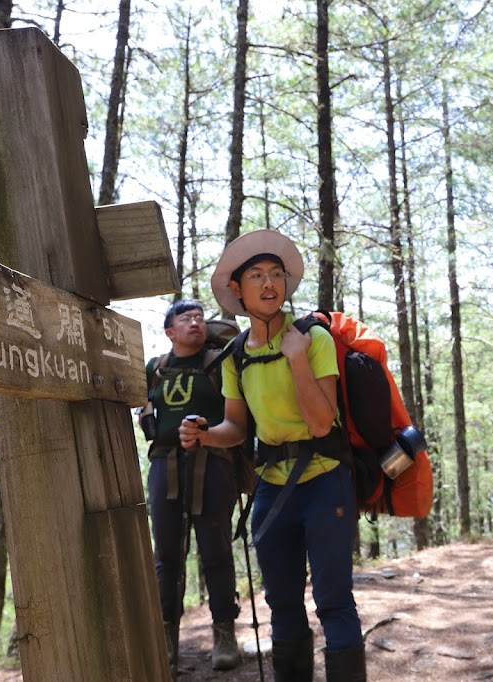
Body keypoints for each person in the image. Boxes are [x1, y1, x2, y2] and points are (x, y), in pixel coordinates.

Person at [179, 230, 367, 682]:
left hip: (325, 481)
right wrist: (204, 435)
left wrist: (297, 359)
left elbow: (323, 424)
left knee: (333, 600)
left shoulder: (312, 338)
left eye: (276, 275)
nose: (269, 284)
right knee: (281, 602)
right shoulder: (234, 357)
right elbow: (236, 428)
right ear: (238, 291)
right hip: (273, 488)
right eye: (257, 276)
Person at [144, 299, 241, 673]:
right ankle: (165, 637)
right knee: (167, 554)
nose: (196, 323)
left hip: (213, 464)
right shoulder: (155, 369)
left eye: (200, 317)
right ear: (169, 331)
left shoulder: (219, 364)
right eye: (186, 318)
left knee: (215, 549)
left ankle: (224, 633)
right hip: (163, 465)